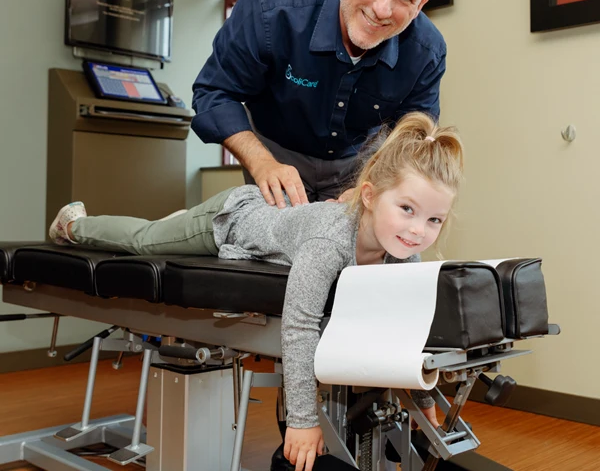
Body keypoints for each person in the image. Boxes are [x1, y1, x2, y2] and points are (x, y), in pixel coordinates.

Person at [49, 112, 464, 471]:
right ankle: (74, 225)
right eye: (407, 209)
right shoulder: (329, 243)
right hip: (232, 218)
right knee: (144, 241)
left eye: (434, 220)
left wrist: (424, 399)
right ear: (370, 196)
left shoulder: (404, 256)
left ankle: (168, 224)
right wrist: (302, 421)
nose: (417, 230)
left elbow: (410, 331)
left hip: (280, 227)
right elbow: (300, 327)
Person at [191, 0, 446, 208]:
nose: (383, 9)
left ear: (420, 5)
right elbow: (214, 92)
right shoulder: (270, 6)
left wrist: (376, 181)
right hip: (273, 149)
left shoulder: (427, 51)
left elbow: (413, 138)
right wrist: (262, 162)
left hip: (360, 162)